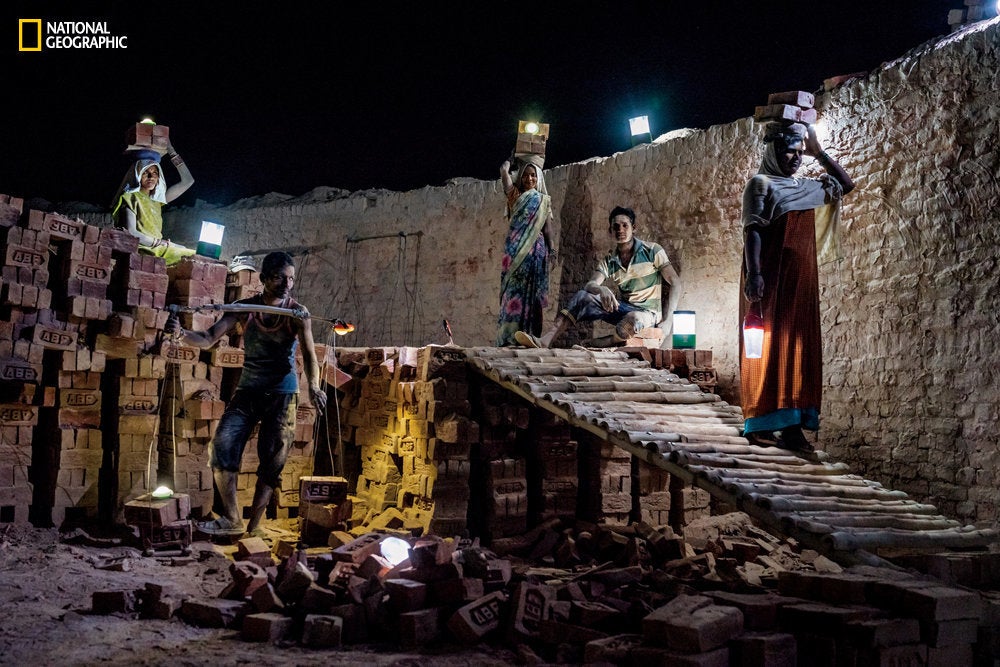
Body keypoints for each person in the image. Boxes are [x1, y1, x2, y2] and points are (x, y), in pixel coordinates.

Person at [165, 251, 328, 536]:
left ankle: (253, 528)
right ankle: (231, 519)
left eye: (291, 278)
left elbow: (311, 355)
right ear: (264, 279)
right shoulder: (243, 308)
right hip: (249, 390)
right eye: (279, 278)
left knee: (273, 460)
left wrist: (313, 386)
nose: (286, 284)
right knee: (222, 447)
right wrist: (180, 333)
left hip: (282, 394)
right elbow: (207, 339)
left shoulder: (297, 313)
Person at [740, 122, 854, 452]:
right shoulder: (760, 184)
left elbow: (846, 185)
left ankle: (793, 427)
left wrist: (818, 151)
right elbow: (754, 231)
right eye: (789, 149)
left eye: (800, 152)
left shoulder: (805, 187)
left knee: (800, 350)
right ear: (772, 149)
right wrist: (755, 275)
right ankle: (760, 421)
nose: (795, 157)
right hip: (770, 280)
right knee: (766, 348)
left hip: (801, 283)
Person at [515, 206, 681, 349]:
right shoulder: (610, 260)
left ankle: (607, 341)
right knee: (582, 297)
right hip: (624, 309)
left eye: (625, 225)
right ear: (610, 231)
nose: (620, 230)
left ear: (634, 227)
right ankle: (545, 340)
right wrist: (601, 289)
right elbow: (591, 284)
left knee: (632, 320)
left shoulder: (652, 250)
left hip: (648, 314)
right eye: (616, 227)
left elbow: (675, 282)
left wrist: (668, 321)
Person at [496, 156, 557, 346]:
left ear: (538, 178)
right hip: (515, 252)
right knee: (513, 294)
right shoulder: (515, 195)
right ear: (521, 178)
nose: (529, 179)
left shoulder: (543, 201)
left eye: (533, 176)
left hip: (536, 253)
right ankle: (509, 339)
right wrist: (512, 158)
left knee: (534, 297)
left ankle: (533, 338)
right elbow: (503, 171)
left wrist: (552, 250)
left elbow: (547, 229)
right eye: (526, 176)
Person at [111, 144, 196, 266]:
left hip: (160, 247)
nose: (151, 177)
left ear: (159, 176)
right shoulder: (130, 197)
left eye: (155, 173)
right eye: (146, 173)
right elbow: (131, 232)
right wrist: (159, 243)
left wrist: (171, 151)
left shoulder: (157, 200)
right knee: (189, 258)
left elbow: (188, 181)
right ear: (138, 174)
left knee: (192, 254)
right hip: (142, 249)